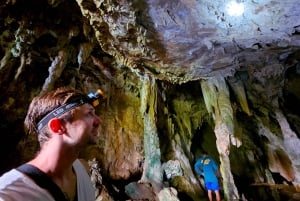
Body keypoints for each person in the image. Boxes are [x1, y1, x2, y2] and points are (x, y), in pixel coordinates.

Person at [0, 87, 104, 201]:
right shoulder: (9, 194)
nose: (99, 121)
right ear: (57, 126)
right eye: (89, 113)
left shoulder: (82, 172)